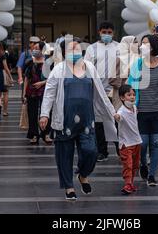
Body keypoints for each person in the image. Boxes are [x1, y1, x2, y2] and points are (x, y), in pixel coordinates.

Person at [39, 36, 118, 201]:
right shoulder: (58, 69)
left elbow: (101, 94)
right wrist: (44, 114)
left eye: (76, 48)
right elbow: (49, 93)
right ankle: (69, 187)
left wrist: (112, 112)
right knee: (64, 155)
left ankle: (83, 174)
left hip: (87, 120)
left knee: (91, 151)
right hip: (64, 120)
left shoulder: (89, 67)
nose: (75, 51)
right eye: (70, 49)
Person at [128, 34, 158, 186]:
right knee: (142, 144)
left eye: (146, 44)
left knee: (156, 143)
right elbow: (131, 86)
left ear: (154, 46)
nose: (143, 46)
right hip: (141, 110)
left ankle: (152, 175)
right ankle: (143, 164)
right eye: (142, 44)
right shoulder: (138, 64)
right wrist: (129, 106)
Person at [84, 22, 120, 162]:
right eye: (104, 32)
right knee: (99, 122)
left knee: (117, 120)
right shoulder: (91, 49)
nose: (107, 35)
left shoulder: (119, 47)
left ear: (113, 33)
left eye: (109, 32)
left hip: (115, 91)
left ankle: (120, 149)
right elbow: (86, 68)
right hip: (97, 91)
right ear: (99, 32)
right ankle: (102, 151)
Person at [23, 41, 52, 145]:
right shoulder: (29, 62)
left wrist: (42, 83)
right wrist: (24, 94)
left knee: (46, 113)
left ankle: (46, 134)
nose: (34, 50)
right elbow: (26, 78)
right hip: (31, 91)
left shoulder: (48, 63)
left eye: (37, 48)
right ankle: (34, 134)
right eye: (33, 48)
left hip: (45, 91)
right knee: (32, 113)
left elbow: (53, 78)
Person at [115, 84, 142, 195]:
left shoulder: (134, 108)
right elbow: (119, 117)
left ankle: (131, 183)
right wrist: (117, 117)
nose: (132, 97)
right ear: (122, 97)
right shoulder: (121, 111)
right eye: (129, 95)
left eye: (133, 95)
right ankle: (127, 184)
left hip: (136, 141)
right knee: (128, 164)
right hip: (126, 144)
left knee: (135, 165)